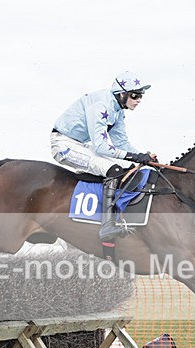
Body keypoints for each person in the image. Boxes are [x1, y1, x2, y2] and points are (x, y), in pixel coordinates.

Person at [51, 71, 157, 241]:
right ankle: (107, 225)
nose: (139, 100)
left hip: (80, 144)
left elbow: (121, 143)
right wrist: (134, 156)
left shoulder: (118, 110)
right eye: (135, 95)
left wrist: (142, 156)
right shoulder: (101, 105)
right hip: (63, 145)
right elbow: (101, 147)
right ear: (121, 94)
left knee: (129, 167)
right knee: (114, 169)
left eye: (141, 96)